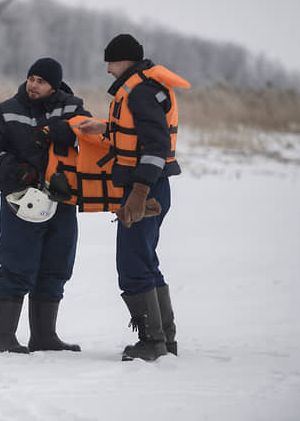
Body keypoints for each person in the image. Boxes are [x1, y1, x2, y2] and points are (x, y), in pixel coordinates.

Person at [77, 33, 190, 361]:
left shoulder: (140, 92)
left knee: (132, 263)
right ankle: (166, 340)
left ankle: (151, 341)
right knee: (146, 260)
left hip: (146, 189)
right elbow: (138, 136)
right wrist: (102, 128)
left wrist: (139, 193)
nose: (108, 70)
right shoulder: (146, 87)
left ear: (124, 60)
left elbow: (156, 146)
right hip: (155, 186)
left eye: (110, 63)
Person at [0, 58, 89, 354]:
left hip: (62, 203)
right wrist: (17, 171)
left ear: (54, 86)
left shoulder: (72, 108)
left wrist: (65, 130)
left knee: (56, 267)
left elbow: (92, 134)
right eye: (31, 78)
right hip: (20, 201)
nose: (33, 85)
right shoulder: (5, 111)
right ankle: (4, 340)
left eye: (41, 81)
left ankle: (44, 337)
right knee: (16, 267)